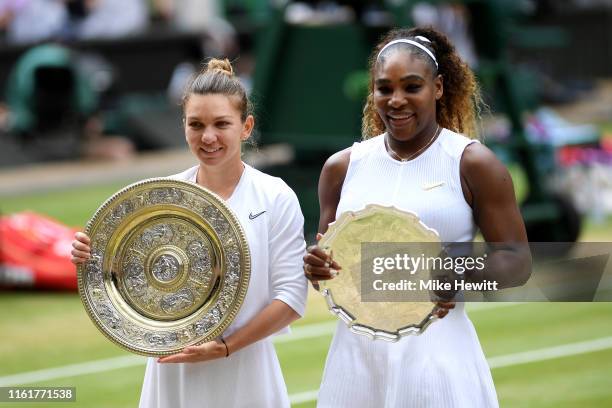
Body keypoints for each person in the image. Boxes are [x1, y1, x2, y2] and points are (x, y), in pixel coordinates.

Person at [303, 26, 531, 407]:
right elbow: (331, 266)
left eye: (411, 87)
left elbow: (518, 261)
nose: (396, 100)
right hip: (355, 362)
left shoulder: (473, 162)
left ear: (438, 87)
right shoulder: (341, 167)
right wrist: (315, 267)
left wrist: (460, 273)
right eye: (384, 88)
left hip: (439, 357)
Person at [71, 58, 308, 407]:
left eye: (221, 124)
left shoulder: (275, 196)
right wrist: (91, 254)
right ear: (183, 126)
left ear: (246, 127)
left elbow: (291, 298)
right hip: (172, 370)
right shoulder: (157, 198)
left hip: (246, 368)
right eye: (196, 124)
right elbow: (128, 276)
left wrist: (227, 347)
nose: (208, 137)